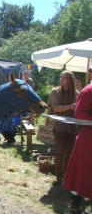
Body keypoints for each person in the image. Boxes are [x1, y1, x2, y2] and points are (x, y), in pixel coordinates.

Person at [63, 83, 92, 213]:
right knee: (83, 170)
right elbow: (80, 113)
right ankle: (75, 203)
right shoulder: (88, 90)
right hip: (89, 137)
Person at [47, 70, 77, 185]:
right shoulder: (55, 91)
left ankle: (67, 176)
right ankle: (58, 176)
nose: (61, 79)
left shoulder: (76, 93)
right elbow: (55, 108)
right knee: (60, 152)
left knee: (70, 153)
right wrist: (70, 107)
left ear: (69, 80)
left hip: (73, 127)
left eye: (64, 78)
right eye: (61, 77)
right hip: (60, 127)